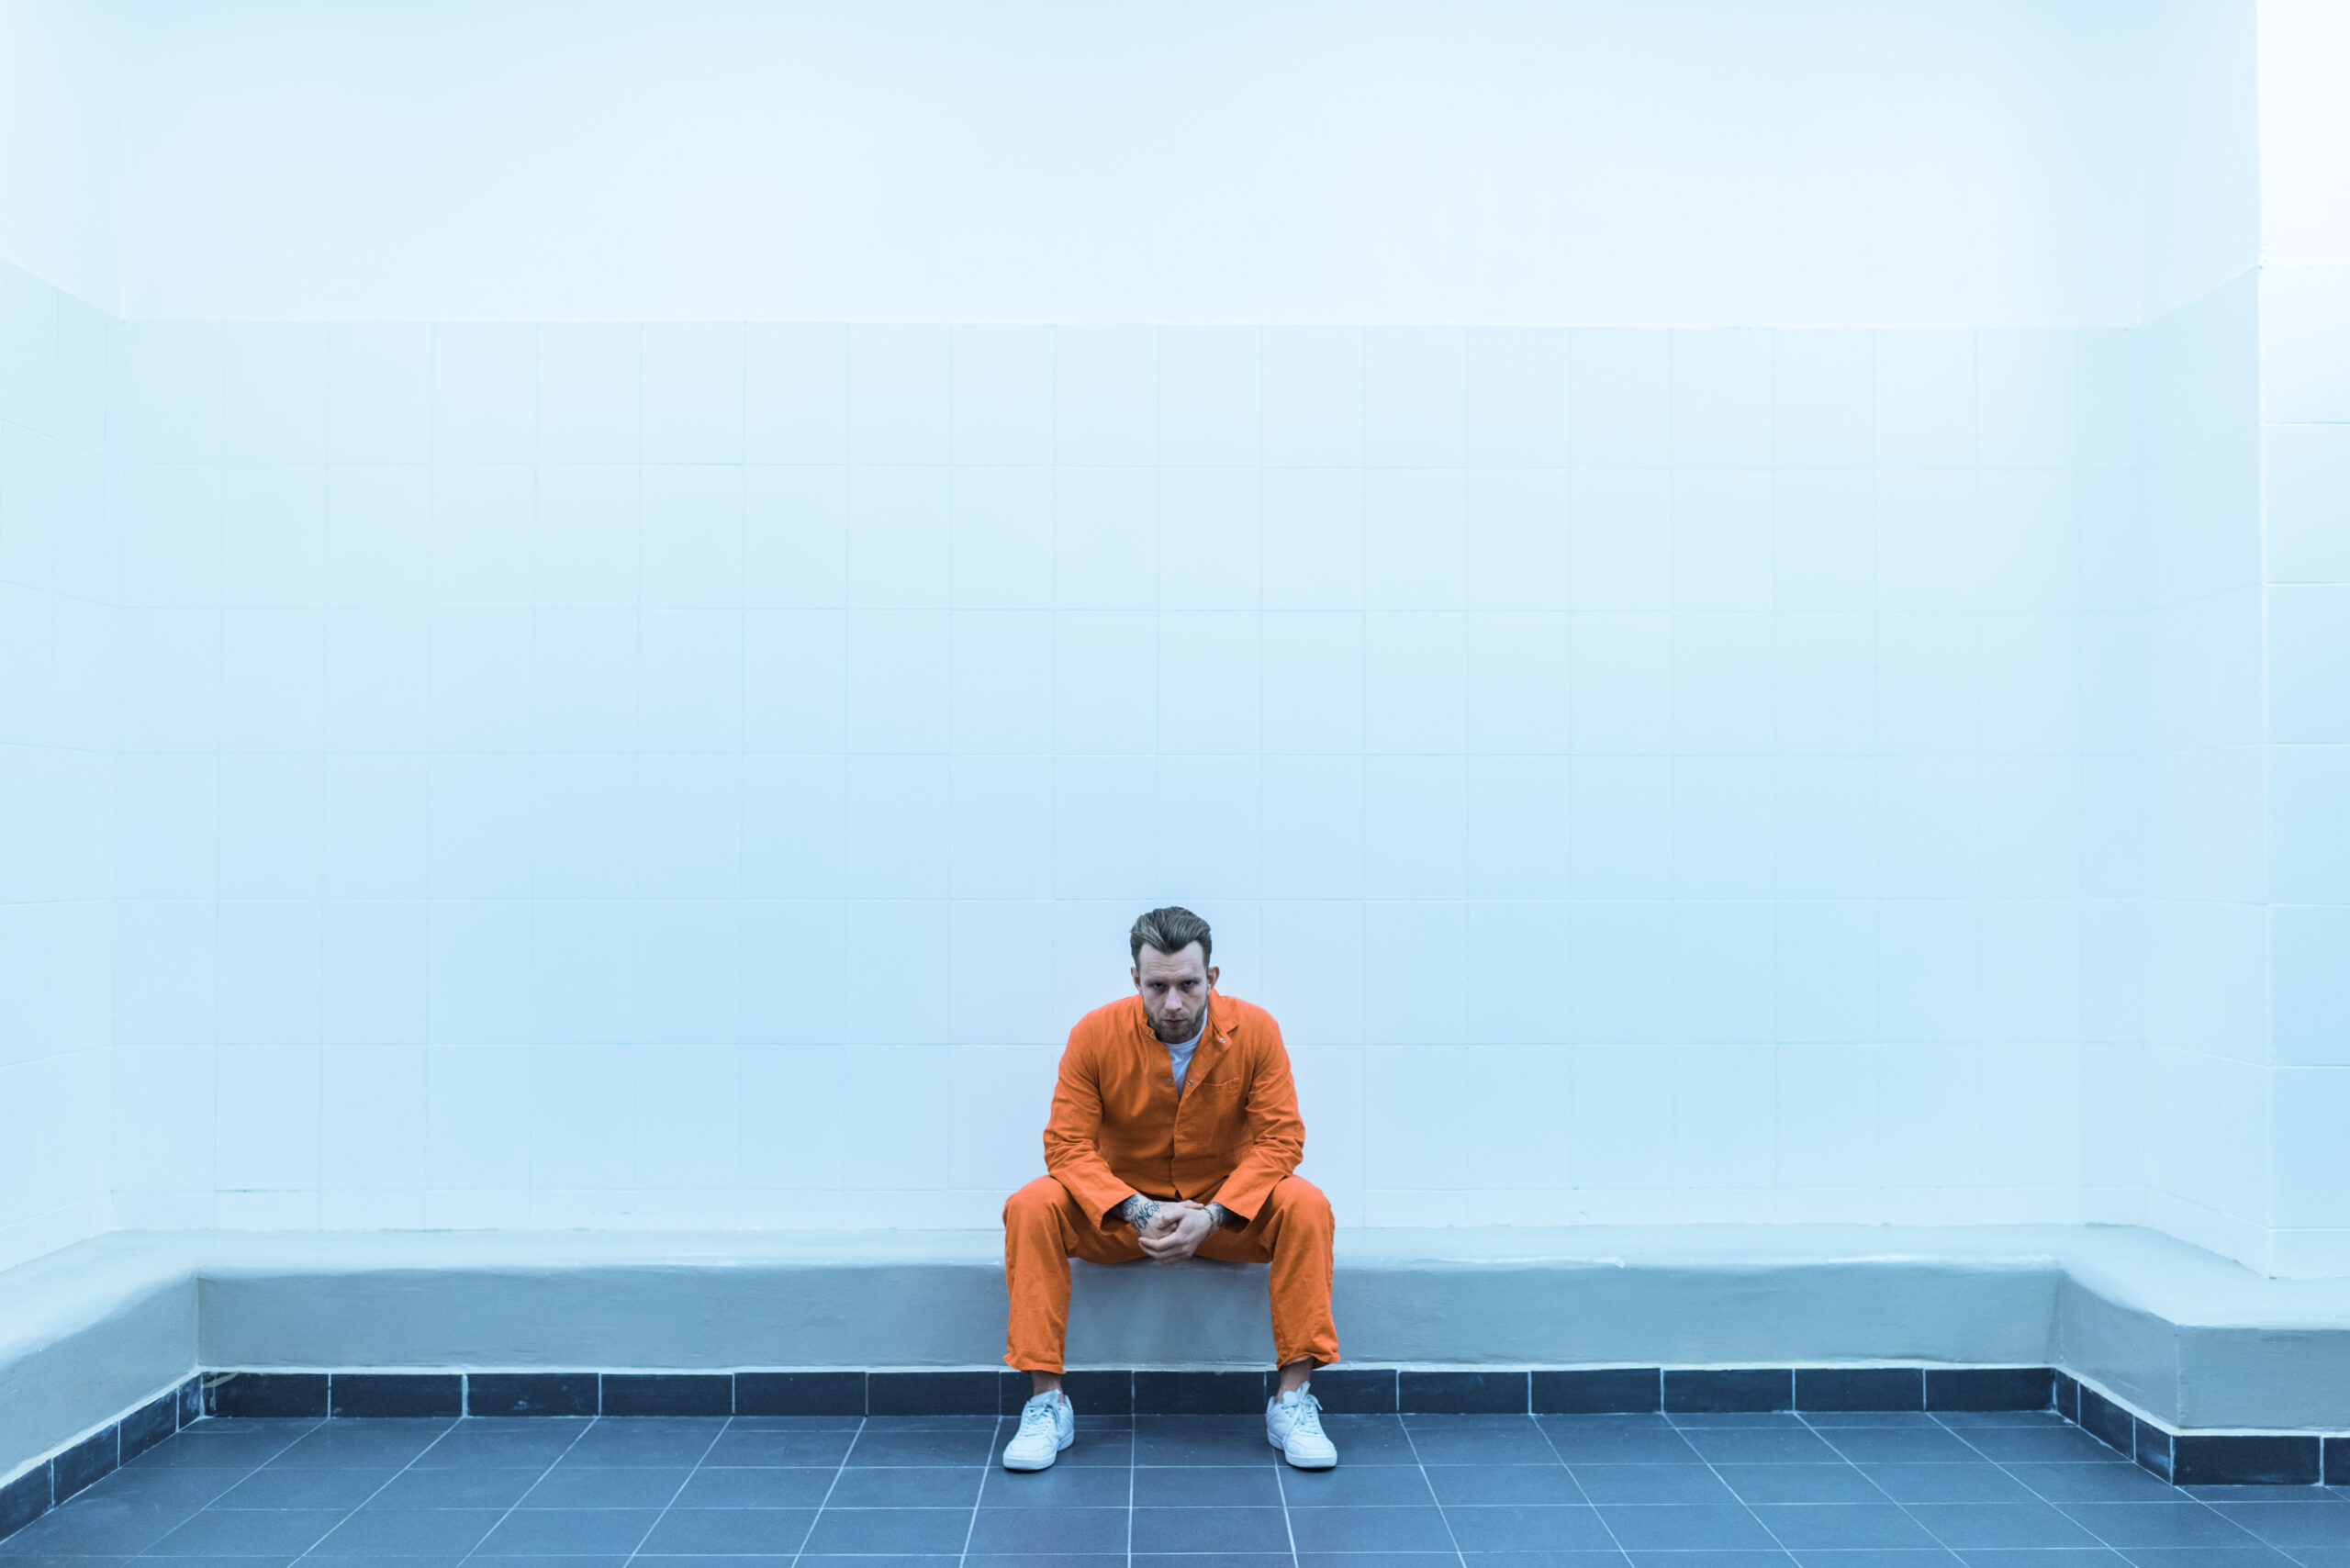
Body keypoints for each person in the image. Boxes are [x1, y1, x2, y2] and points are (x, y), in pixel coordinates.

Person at [999, 906, 1340, 1472]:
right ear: (1136, 979)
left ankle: (1293, 1400)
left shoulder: (1257, 1031)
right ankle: (1046, 1402)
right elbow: (1066, 1145)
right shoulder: (1094, 1034)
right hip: (1122, 1215)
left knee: (1307, 1204)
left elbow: (1281, 1140)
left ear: (1212, 977)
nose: (1174, 1003)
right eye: (1158, 987)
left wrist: (1213, 1214)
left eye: (1188, 984)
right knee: (1031, 1204)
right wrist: (1134, 1208)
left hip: (1223, 1214)